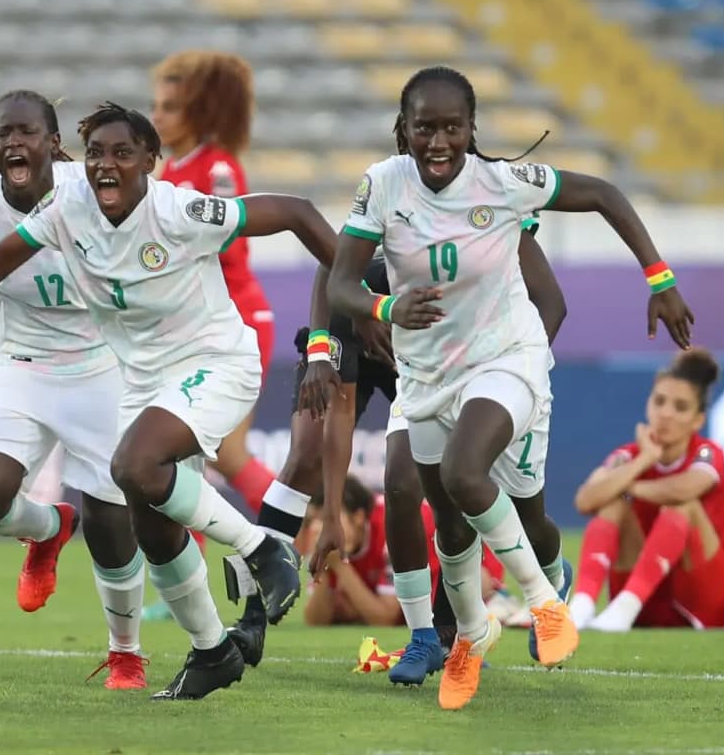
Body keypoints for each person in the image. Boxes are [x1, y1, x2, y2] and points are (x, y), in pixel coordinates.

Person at [0, 101, 341, 701]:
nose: (105, 165)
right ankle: (212, 650)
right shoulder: (66, 210)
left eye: (121, 153)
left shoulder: (180, 210)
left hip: (209, 362)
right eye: (96, 154)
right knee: (152, 524)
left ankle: (261, 547)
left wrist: (359, 291)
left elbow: (296, 212)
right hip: (132, 378)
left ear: (149, 162)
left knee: (133, 471)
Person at [326, 65, 695, 711]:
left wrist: (660, 279)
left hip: (505, 359)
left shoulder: (502, 184)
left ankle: (546, 602)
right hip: (427, 374)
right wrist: (385, 309)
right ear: (404, 129)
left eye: (452, 128)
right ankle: (470, 636)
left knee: (468, 475)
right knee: (450, 522)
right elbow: (339, 283)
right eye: (425, 128)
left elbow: (604, 194)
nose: (439, 142)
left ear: (472, 129)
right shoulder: (382, 185)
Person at [226, 223, 566, 687]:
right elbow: (341, 413)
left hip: (438, 356)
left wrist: (514, 377)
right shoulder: (353, 289)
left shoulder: (458, 280)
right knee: (313, 456)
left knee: (465, 479)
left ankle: (458, 628)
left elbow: (552, 299)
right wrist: (330, 516)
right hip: (362, 334)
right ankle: (254, 619)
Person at [0, 89, 145, 690]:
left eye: (26, 132)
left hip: (103, 362)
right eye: (2, 134)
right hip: (21, 365)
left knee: (112, 519)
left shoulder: (94, 192)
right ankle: (49, 528)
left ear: (53, 143)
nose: (13, 143)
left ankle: (126, 653)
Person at [152, 51, 277, 513]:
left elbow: (227, 243)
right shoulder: (169, 173)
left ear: (199, 113)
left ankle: (307, 527)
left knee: (219, 451)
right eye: (156, 106)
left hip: (237, 317)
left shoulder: (218, 168)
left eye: (170, 107)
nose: (157, 117)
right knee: (197, 454)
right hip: (197, 325)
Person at [569, 348, 724, 631]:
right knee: (613, 503)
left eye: (680, 407)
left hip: (709, 599)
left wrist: (628, 485)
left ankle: (624, 607)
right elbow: (585, 500)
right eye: (659, 401)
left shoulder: (707, 453)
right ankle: (582, 604)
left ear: (698, 420)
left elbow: (684, 489)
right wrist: (644, 460)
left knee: (683, 505)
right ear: (648, 404)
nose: (665, 414)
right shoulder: (630, 456)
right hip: (649, 595)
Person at [298, 476, 511, 628]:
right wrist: (325, 566)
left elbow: (385, 618)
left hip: (463, 560)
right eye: (312, 521)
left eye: (327, 519)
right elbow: (316, 620)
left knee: (446, 605)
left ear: (359, 517)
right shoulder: (340, 540)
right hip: (418, 573)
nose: (318, 528)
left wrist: (341, 568)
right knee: (352, 607)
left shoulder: (391, 528)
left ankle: (496, 600)